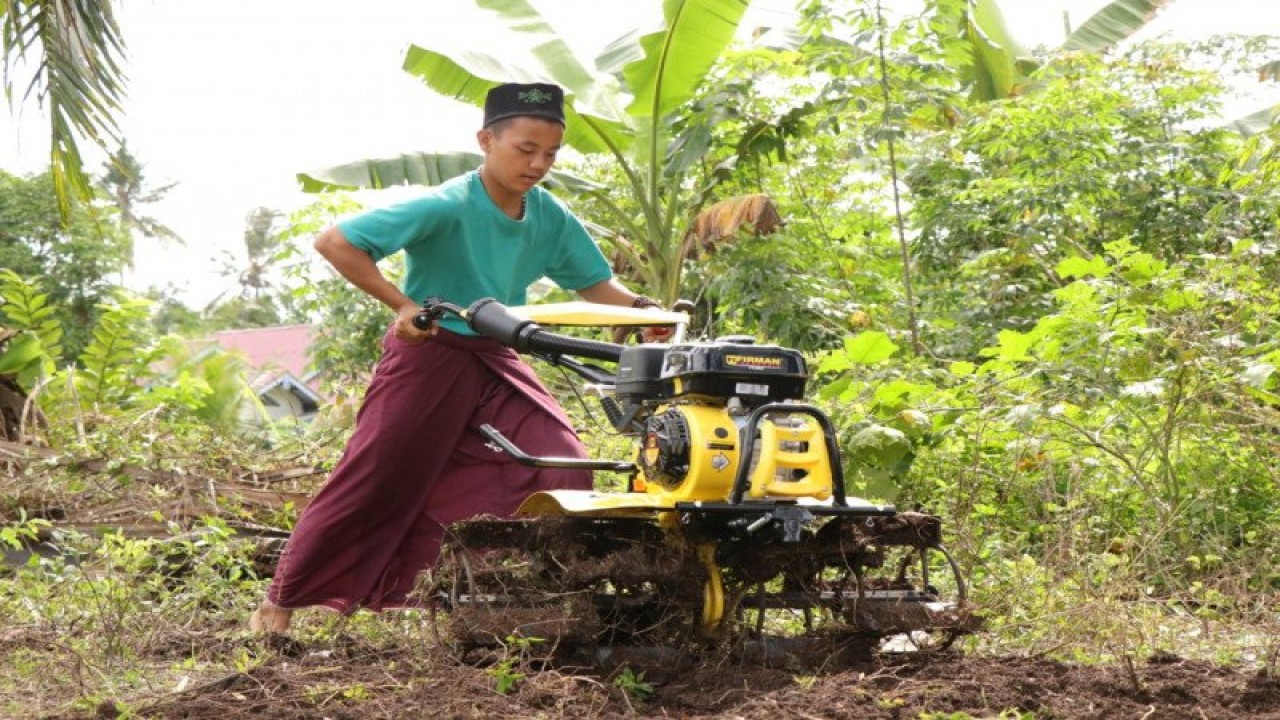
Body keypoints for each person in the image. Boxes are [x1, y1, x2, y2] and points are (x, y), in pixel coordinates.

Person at [250, 82, 664, 633]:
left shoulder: (548, 215)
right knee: (375, 477)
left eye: (550, 153)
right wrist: (402, 306)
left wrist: (644, 309)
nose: (538, 164)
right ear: (486, 141)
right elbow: (335, 241)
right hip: (430, 354)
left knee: (558, 460)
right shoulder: (446, 204)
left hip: (496, 354)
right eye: (525, 149)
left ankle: (485, 597)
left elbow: (595, 284)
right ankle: (278, 605)